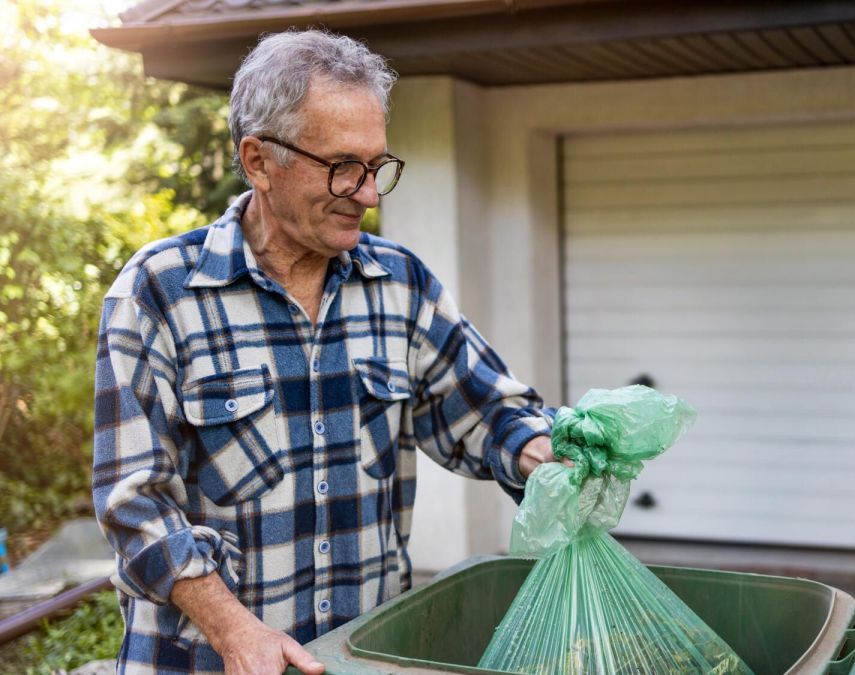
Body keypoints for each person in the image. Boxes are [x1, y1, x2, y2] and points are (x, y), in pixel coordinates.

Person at [92, 30, 559, 675]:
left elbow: (484, 412)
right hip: (202, 662)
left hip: (358, 659)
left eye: (377, 168)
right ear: (258, 161)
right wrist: (235, 632)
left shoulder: (401, 284)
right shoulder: (157, 293)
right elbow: (132, 500)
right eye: (342, 166)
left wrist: (545, 450)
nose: (368, 194)